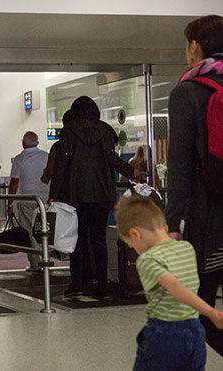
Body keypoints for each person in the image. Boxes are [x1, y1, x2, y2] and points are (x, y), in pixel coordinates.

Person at [166, 14, 223, 355]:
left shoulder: (188, 91)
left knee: (197, 310)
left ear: (194, 47)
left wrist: (173, 223)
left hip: (211, 216)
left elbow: (181, 167)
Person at [115, 196, 223, 370]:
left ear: (135, 234)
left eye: (131, 244)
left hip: (165, 333)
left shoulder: (148, 259)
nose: (135, 249)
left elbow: (173, 286)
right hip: (195, 331)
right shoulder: (187, 248)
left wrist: (211, 312)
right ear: (164, 226)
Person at [50, 96, 136, 298]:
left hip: (75, 195)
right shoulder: (105, 130)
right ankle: (102, 284)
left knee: (76, 239)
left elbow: (61, 165)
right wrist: (133, 172)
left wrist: (54, 194)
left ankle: (78, 282)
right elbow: (112, 159)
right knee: (98, 239)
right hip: (102, 195)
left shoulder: (69, 131)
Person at [8, 132, 49, 272]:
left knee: (29, 232)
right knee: (44, 230)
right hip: (45, 200)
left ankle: (35, 264)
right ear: (37, 142)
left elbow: (14, 182)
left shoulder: (20, 159)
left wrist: (10, 203)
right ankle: (46, 259)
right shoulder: (46, 156)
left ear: (23, 143)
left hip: (27, 200)